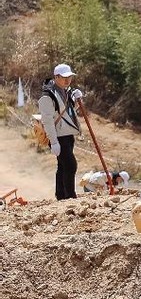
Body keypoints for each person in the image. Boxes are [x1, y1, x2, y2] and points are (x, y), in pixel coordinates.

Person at [39, 64, 84, 200]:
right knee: (70, 165)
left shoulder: (66, 91)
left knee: (63, 166)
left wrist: (76, 99)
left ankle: (61, 195)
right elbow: (47, 120)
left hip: (67, 134)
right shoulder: (47, 96)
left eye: (69, 77)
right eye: (64, 77)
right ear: (56, 77)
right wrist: (54, 142)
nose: (67, 80)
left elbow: (68, 112)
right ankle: (70, 196)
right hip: (58, 136)